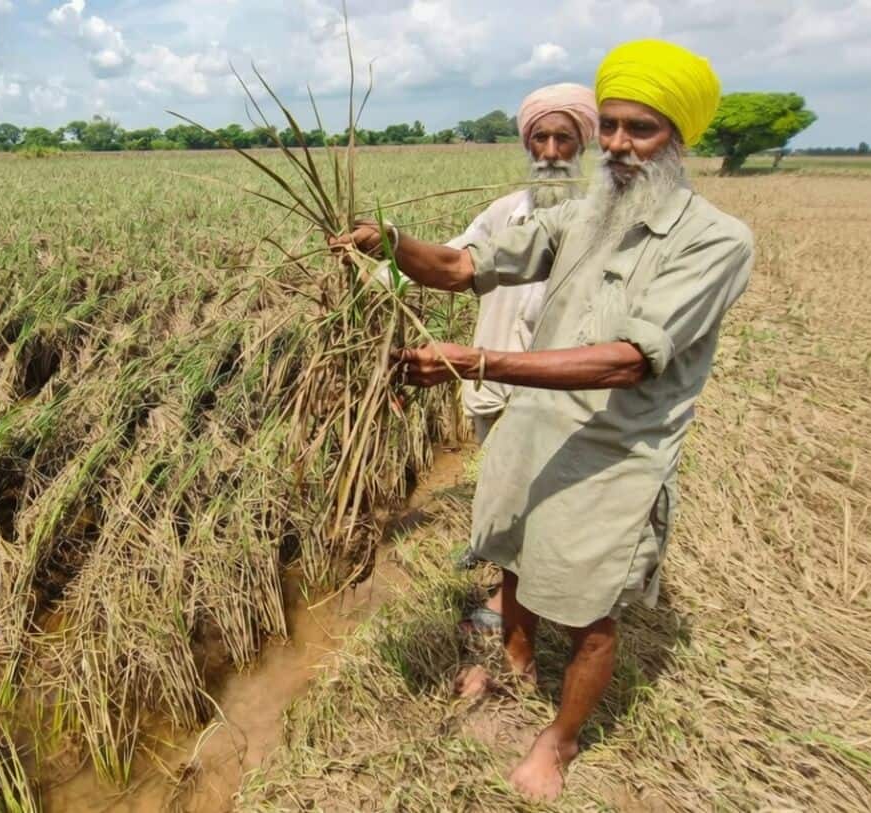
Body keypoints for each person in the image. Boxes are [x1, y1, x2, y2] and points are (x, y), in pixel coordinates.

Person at [330, 40, 751, 801]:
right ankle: (516, 659)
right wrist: (390, 241)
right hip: (534, 427)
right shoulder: (582, 216)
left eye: (641, 129)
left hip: (616, 452)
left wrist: (480, 363)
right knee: (516, 557)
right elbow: (463, 267)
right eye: (614, 125)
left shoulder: (716, 242)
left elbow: (626, 359)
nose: (619, 144)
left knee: (590, 612)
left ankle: (558, 740)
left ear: (679, 139)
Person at [454, 83, 598, 446]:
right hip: (493, 390)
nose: (551, 152)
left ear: (581, 144)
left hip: (563, 399)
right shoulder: (502, 213)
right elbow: (453, 258)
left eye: (563, 139)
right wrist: (385, 254)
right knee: (494, 492)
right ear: (527, 144)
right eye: (540, 138)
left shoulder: (602, 221)